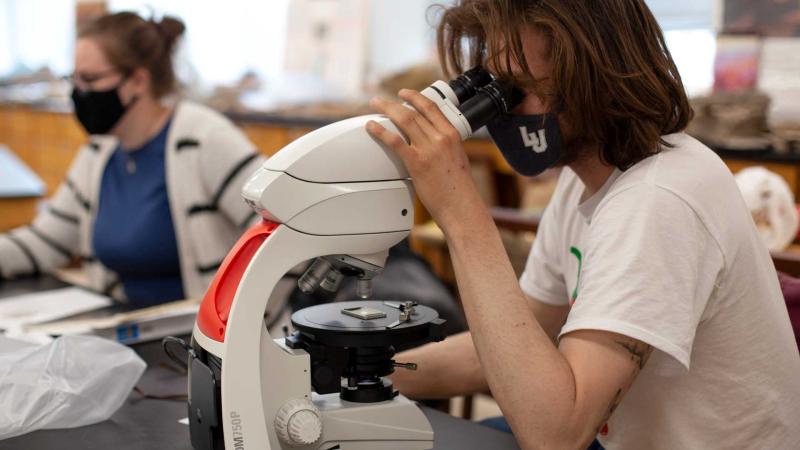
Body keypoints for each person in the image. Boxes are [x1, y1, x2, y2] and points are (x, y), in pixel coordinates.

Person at [365, 1, 800, 449]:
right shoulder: (591, 179)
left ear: (598, 76)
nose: (506, 111)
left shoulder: (659, 199)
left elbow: (556, 434)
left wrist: (461, 214)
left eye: (525, 88)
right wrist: (365, 372)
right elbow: (510, 344)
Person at [0, 12, 264, 306]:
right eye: (73, 79)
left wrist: (236, 323)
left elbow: (285, 232)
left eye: (89, 79)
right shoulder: (99, 152)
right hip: (129, 332)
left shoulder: (205, 140)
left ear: (138, 80)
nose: (78, 92)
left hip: (199, 345)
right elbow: (46, 240)